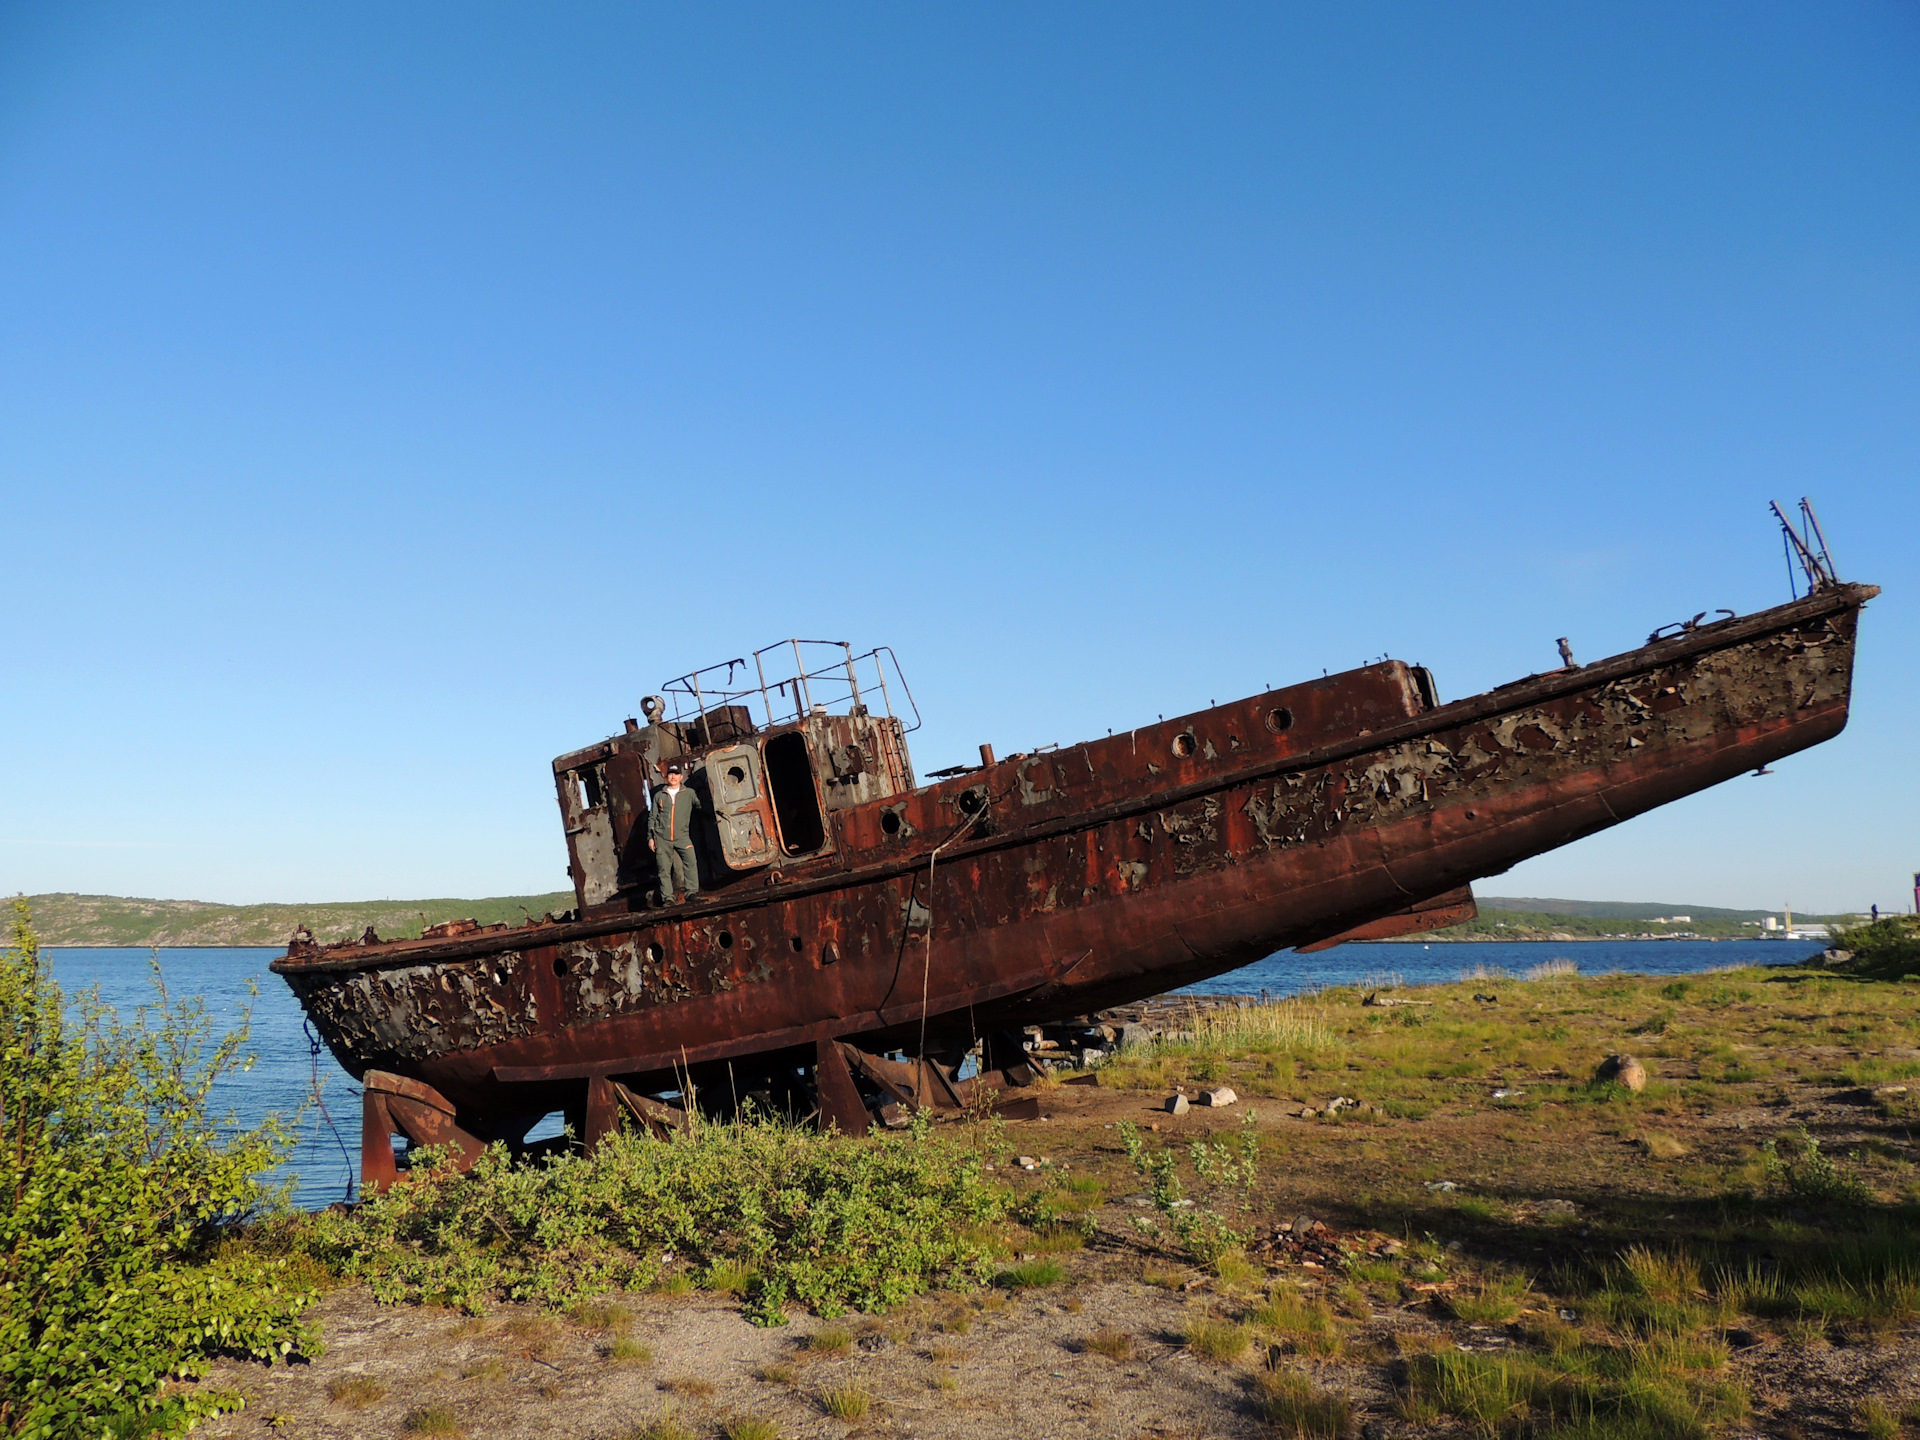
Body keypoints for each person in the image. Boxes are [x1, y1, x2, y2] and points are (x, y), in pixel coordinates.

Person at [649, 760, 703, 905]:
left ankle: (691, 893)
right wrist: (651, 838)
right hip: (662, 838)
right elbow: (652, 817)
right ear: (667, 777)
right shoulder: (659, 795)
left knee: (691, 862)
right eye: (671, 774)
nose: (673, 777)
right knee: (664, 870)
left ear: (681, 777)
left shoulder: (689, 793)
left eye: (676, 774)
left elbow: (700, 807)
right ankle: (668, 898)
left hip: (682, 836)